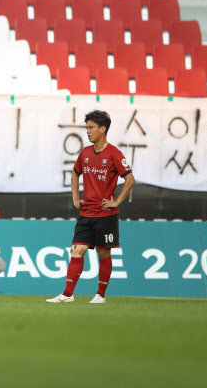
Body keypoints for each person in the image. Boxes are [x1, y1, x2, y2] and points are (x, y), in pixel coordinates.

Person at [47, 110, 135, 304]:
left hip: (105, 214)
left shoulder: (114, 153)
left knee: (103, 252)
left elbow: (130, 179)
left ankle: (100, 295)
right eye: (86, 127)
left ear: (102, 129)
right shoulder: (85, 153)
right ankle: (67, 294)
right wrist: (75, 197)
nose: (87, 131)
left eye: (91, 127)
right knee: (76, 250)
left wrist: (116, 201)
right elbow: (75, 174)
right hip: (86, 212)